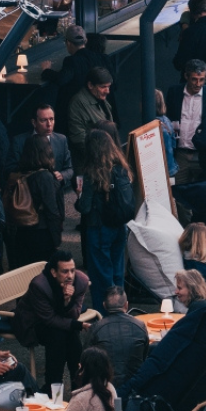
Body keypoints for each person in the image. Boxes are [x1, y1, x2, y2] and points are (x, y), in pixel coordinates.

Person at [124, 271, 206, 411]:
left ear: (192, 289)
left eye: (180, 288)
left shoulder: (198, 316)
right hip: (194, 384)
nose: (176, 292)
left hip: (173, 396)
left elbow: (161, 358)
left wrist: (127, 388)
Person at [75, 129, 135, 304]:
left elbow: (85, 207)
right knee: (117, 272)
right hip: (119, 226)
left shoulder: (92, 172)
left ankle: (104, 316)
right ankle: (119, 310)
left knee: (101, 276)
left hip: (99, 228)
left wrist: (79, 196)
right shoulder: (121, 168)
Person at [20, 252, 91, 392]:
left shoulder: (81, 281)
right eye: (65, 271)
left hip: (61, 324)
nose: (70, 276)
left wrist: (67, 301)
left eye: (72, 270)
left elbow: (75, 314)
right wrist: (77, 325)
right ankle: (56, 386)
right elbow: (49, 319)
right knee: (59, 335)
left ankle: (73, 387)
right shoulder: (40, 285)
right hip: (35, 323)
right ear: (53, 272)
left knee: (71, 337)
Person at [9, 137, 69, 268]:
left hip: (22, 232)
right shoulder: (44, 177)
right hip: (42, 234)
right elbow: (51, 210)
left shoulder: (19, 175)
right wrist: (56, 239)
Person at [90, 289, 151, 390]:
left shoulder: (96, 328)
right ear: (126, 305)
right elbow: (144, 355)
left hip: (105, 386)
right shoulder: (140, 325)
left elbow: (87, 359)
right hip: (134, 386)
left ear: (104, 305)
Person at [168, 60, 206, 173]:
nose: (198, 84)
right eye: (194, 79)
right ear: (186, 76)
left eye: (202, 80)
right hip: (180, 155)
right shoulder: (174, 92)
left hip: (202, 155)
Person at [67, 67, 118, 161]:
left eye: (108, 86)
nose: (107, 91)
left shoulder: (100, 98)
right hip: (92, 162)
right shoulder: (78, 103)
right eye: (103, 87)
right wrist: (101, 153)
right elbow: (78, 138)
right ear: (90, 85)